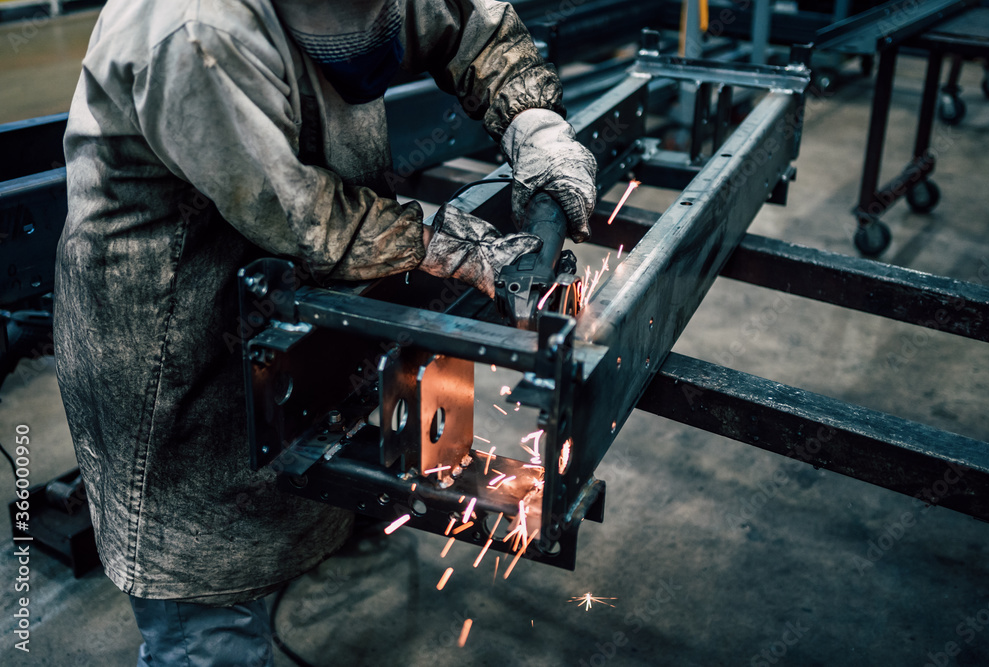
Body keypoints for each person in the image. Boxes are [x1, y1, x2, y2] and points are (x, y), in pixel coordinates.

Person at [53, 0, 596, 664]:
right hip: (175, 321)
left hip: (293, 281)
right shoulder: (191, 28)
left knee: (314, 451)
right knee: (207, 598)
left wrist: (536, 128)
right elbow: (307, 217)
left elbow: (472, 25)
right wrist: (457, 249)